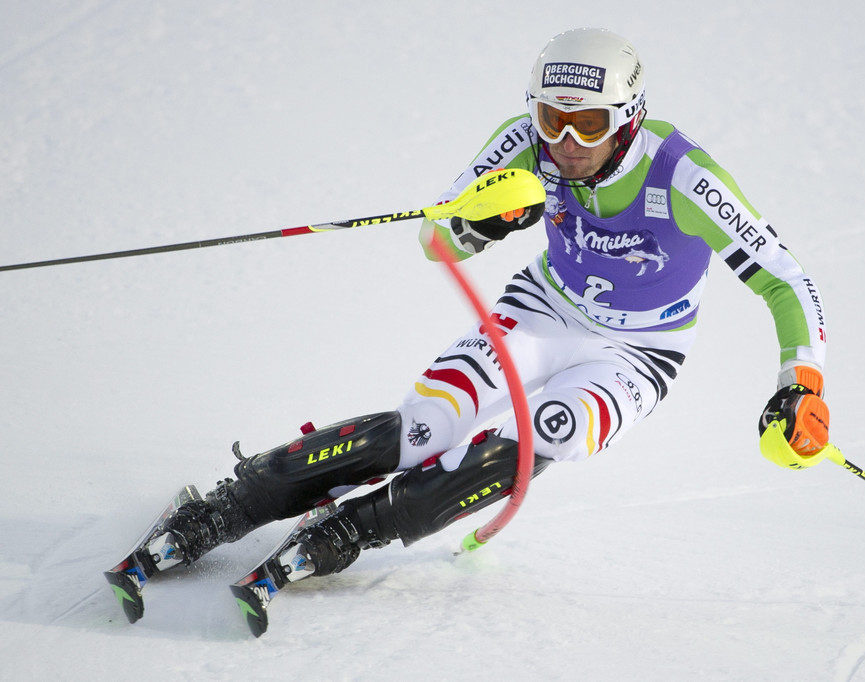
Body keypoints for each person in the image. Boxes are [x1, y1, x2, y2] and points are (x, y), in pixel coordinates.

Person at [136, 27, 830, 585]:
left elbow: (786, 280)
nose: (567, 143)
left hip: (640, 352)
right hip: (543, 310)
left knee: (551, 432)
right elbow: (435, 241)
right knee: (425, 425)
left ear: (629, 119)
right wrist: (484, 222)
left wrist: (801, 384)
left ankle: (352, 531)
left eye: (589, 124)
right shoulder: (524, 143)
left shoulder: (684, 177)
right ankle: (233, 504)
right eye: (552, 119)